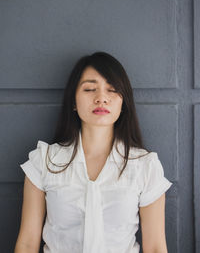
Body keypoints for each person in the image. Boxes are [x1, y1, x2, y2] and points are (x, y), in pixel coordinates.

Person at [14, 51, 173, 253]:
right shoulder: (44, 161)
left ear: (123, 102)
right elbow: (27, 244)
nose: (101, 98)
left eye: (112, 90)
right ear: (73, 101)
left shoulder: (145, 166)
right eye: (90, 89)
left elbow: (156, 248)